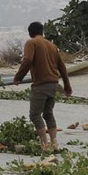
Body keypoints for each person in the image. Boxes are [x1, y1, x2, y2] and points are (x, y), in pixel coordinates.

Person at [11, 21, 72, 152]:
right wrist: (67, 85)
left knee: (35, 115)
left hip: (40, 85)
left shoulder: (31, 43)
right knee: (48, 113)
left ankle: (44, 144)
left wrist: (18, 77)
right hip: (53, 84)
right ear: (42, 32)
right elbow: (62, 67)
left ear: (30, 33)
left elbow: (27, 60)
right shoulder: (52, 46)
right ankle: (54, 144)